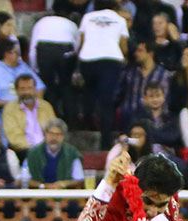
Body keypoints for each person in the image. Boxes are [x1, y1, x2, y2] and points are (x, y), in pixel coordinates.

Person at [77, 0, 128, 148]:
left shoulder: (87, 17)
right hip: (111, 60)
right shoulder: (120, 19)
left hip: (87, 59)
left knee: (90, 93)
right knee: (106, 102)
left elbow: (81, 42)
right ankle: (105, 142)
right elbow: (123, 47)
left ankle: (87, 122)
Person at [117, 39, 172, 129]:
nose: (136, 53)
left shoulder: (163, 75)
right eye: (136, 51)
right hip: (129, 116)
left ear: (150, 53)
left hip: (153, 118)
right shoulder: (130, 73)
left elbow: (166, 100)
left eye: (140, 51)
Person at [0, 37, 43, 108]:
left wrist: (35, 105)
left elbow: (40, 87)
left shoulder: (23, 66)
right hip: (2, 110)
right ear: (7, 54)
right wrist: (13, 106)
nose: (19, 56)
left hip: (28, 109)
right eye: (16, 53)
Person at [1, 74, 55, 156]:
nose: (27, 92)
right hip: (24, 151)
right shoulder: (9, 109)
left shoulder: (46, 106)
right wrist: (37, 149)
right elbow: (14, 138)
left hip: (48, 148)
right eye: (23, 89)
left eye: (30, 88)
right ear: (17, 91)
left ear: (35, 89)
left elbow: (54, 129)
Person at [25, 119, 84, 189]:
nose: (54, 138)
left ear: (63, 136)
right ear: (45, 134)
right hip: (39, 196)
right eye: (51, 134)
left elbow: (79, 179)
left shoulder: (72, 153)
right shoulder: (33, 153)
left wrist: (64, 184)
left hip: (65, 196)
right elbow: (25, 179)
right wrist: (44, 186)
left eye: (58, 134)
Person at [131, 81, 181, 158]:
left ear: (164, 97)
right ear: (145, 98)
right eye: (151, 96)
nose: (155, 100)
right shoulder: (138, 117)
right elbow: (137, 139)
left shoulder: (172, 117)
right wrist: (162, 136)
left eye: (158, 96)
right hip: (145, 156)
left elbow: (173, 138)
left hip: (168, 156)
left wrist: (150, 132)